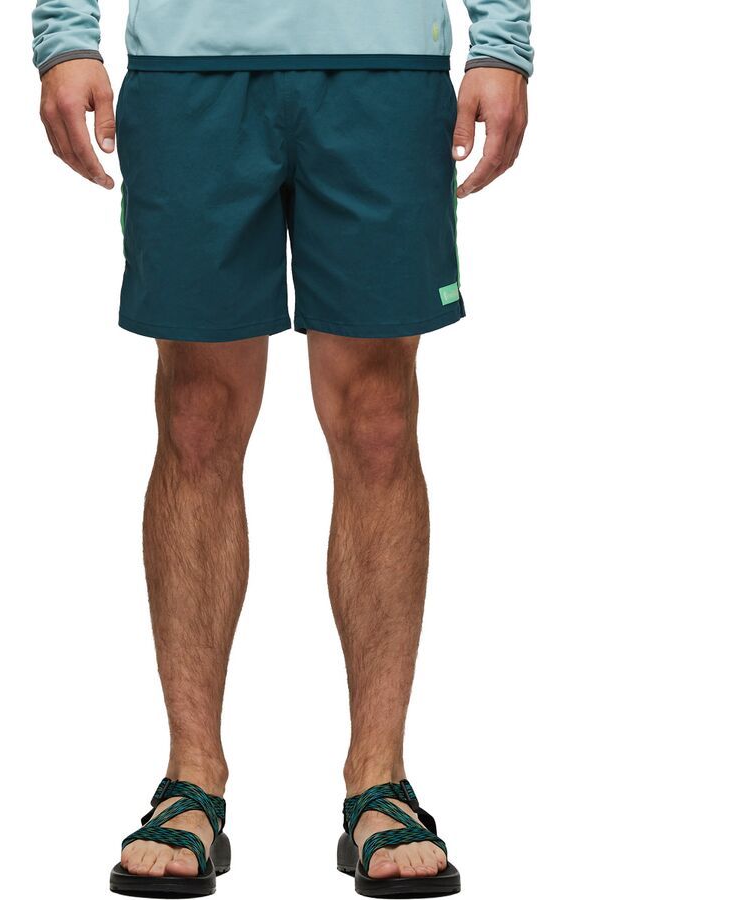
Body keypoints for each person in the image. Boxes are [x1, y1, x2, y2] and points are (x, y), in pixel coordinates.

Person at [32, 1, 532, 896]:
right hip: (192, 64)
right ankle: (192, 779)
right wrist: (65, 32)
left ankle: (378, 782)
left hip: (382, 62)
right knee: (197, 416)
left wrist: (502, 42)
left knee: (378, 417)